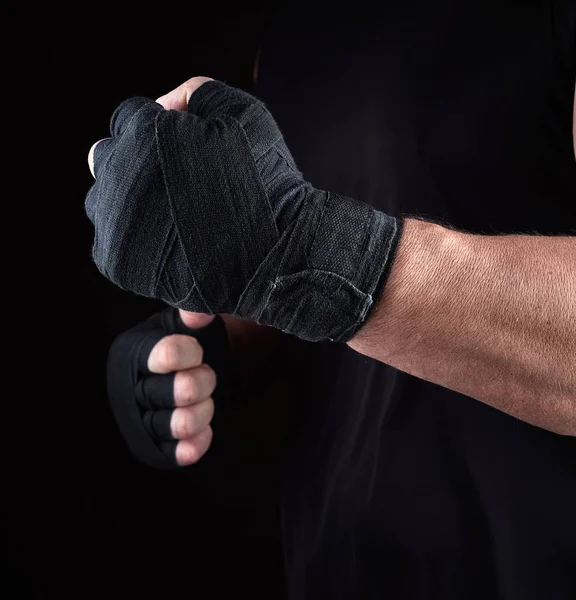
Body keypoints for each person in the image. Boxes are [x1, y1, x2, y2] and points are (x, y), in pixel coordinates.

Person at [86, 1, 576, 598]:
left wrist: (317, 253)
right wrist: (215, 350)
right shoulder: (297, 28)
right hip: (337, 563)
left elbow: (318, 251)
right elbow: (321, 312)